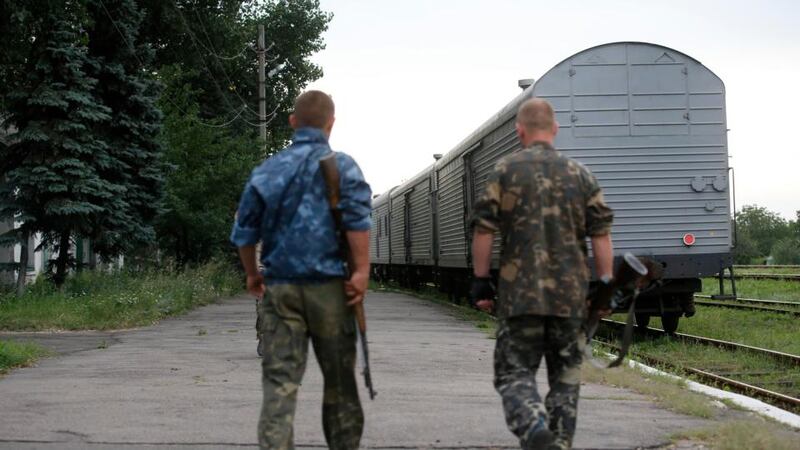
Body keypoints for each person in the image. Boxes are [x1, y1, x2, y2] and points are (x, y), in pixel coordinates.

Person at [230, 90, 372, 450]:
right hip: (331, 291)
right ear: (331, 123)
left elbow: (244, 232)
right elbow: (357, 222)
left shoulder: (267, 170)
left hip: (281, 290)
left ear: (293, 122)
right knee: (340, 385)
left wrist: (252, 273)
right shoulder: (344, 167)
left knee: (280, 385)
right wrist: (361, 272)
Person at [470, 98, 614, 450]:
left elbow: (484, 230)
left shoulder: (504, 171)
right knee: (566, 381)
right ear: (555, 129)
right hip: (570, 300)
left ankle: (534, 428)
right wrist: (606, 286)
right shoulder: (581, 175)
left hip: (521, 298)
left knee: (513, 373)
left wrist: (480, 281)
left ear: (520, 131)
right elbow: (601, 234)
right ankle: (558, 444)